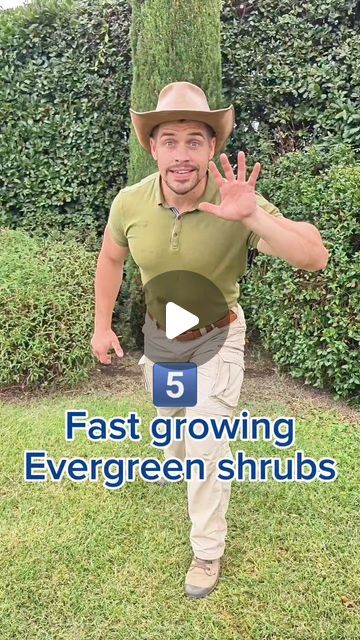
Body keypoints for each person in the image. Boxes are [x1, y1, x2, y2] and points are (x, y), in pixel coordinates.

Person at [91, 81, 328, 599]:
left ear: (212, 148)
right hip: (164, 340)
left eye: (194, 141)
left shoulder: (236, 200)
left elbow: (313, 254)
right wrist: (102, 325)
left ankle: (207, 550)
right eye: (169, 140)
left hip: (217, 337)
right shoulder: (129, 203)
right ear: (151, 147)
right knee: (174, 440)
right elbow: (111, 259)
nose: (181, 154)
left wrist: (254, 216)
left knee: (204, 443)